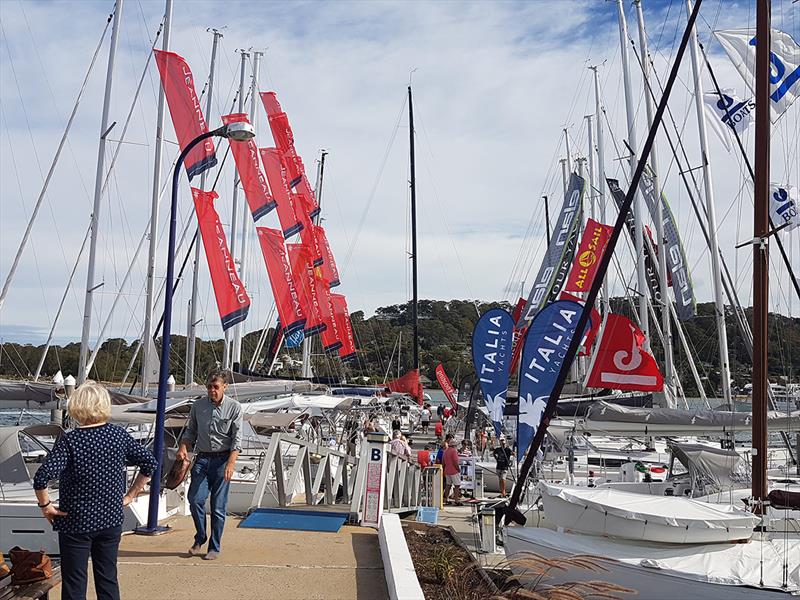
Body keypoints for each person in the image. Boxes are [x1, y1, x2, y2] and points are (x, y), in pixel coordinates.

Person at [33, 381, 157, 600]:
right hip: (110, 518)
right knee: (108, 577)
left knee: (74, 582)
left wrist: (46, 507)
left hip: (76, 521)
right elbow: (150, 463)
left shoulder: (70, 441)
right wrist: (130, 495)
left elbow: (42, 477)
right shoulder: (118, 436)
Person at [176, 370, 243, 561]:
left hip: (223, 461)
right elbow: (191, 431)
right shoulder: (198, 406)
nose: (212, 391)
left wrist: (231, 463)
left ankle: (214, 546)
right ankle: (200, 536)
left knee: (218, 507)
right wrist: (183, 447)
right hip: (203, 459)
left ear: (224, 387)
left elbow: (237, 439)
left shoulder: (234, 408)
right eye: (209, 387)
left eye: (216, 387)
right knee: (195, 499)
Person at [441, 438, 462, 505]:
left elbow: (443, 462)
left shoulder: (445, 451)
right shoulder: (454, 451)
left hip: (447, 471)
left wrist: (444, 469)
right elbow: (455, 462)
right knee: (457, 485)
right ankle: (456, 500)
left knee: (448, 485)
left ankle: (445, 499)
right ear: (454, 445)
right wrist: (458, 469)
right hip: (454, 471)